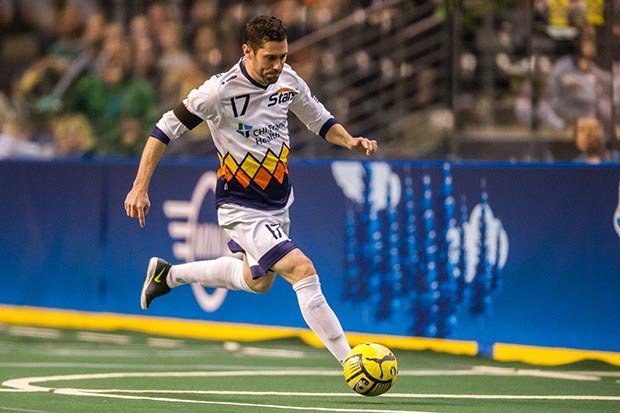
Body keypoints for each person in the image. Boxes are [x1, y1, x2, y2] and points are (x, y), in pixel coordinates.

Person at [124, 15, 378, 365]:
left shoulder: (287, 80)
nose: (278, 65)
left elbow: (320, 120)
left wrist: (350, 141)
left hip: (277, 202)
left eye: (283, 57)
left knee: (257, 282)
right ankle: (351, 362)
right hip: (240, 205)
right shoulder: (217, 92)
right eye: (270, 58)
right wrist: (140, 187)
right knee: (302, 270)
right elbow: (163, 130)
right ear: (247, 51)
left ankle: (169, 275)